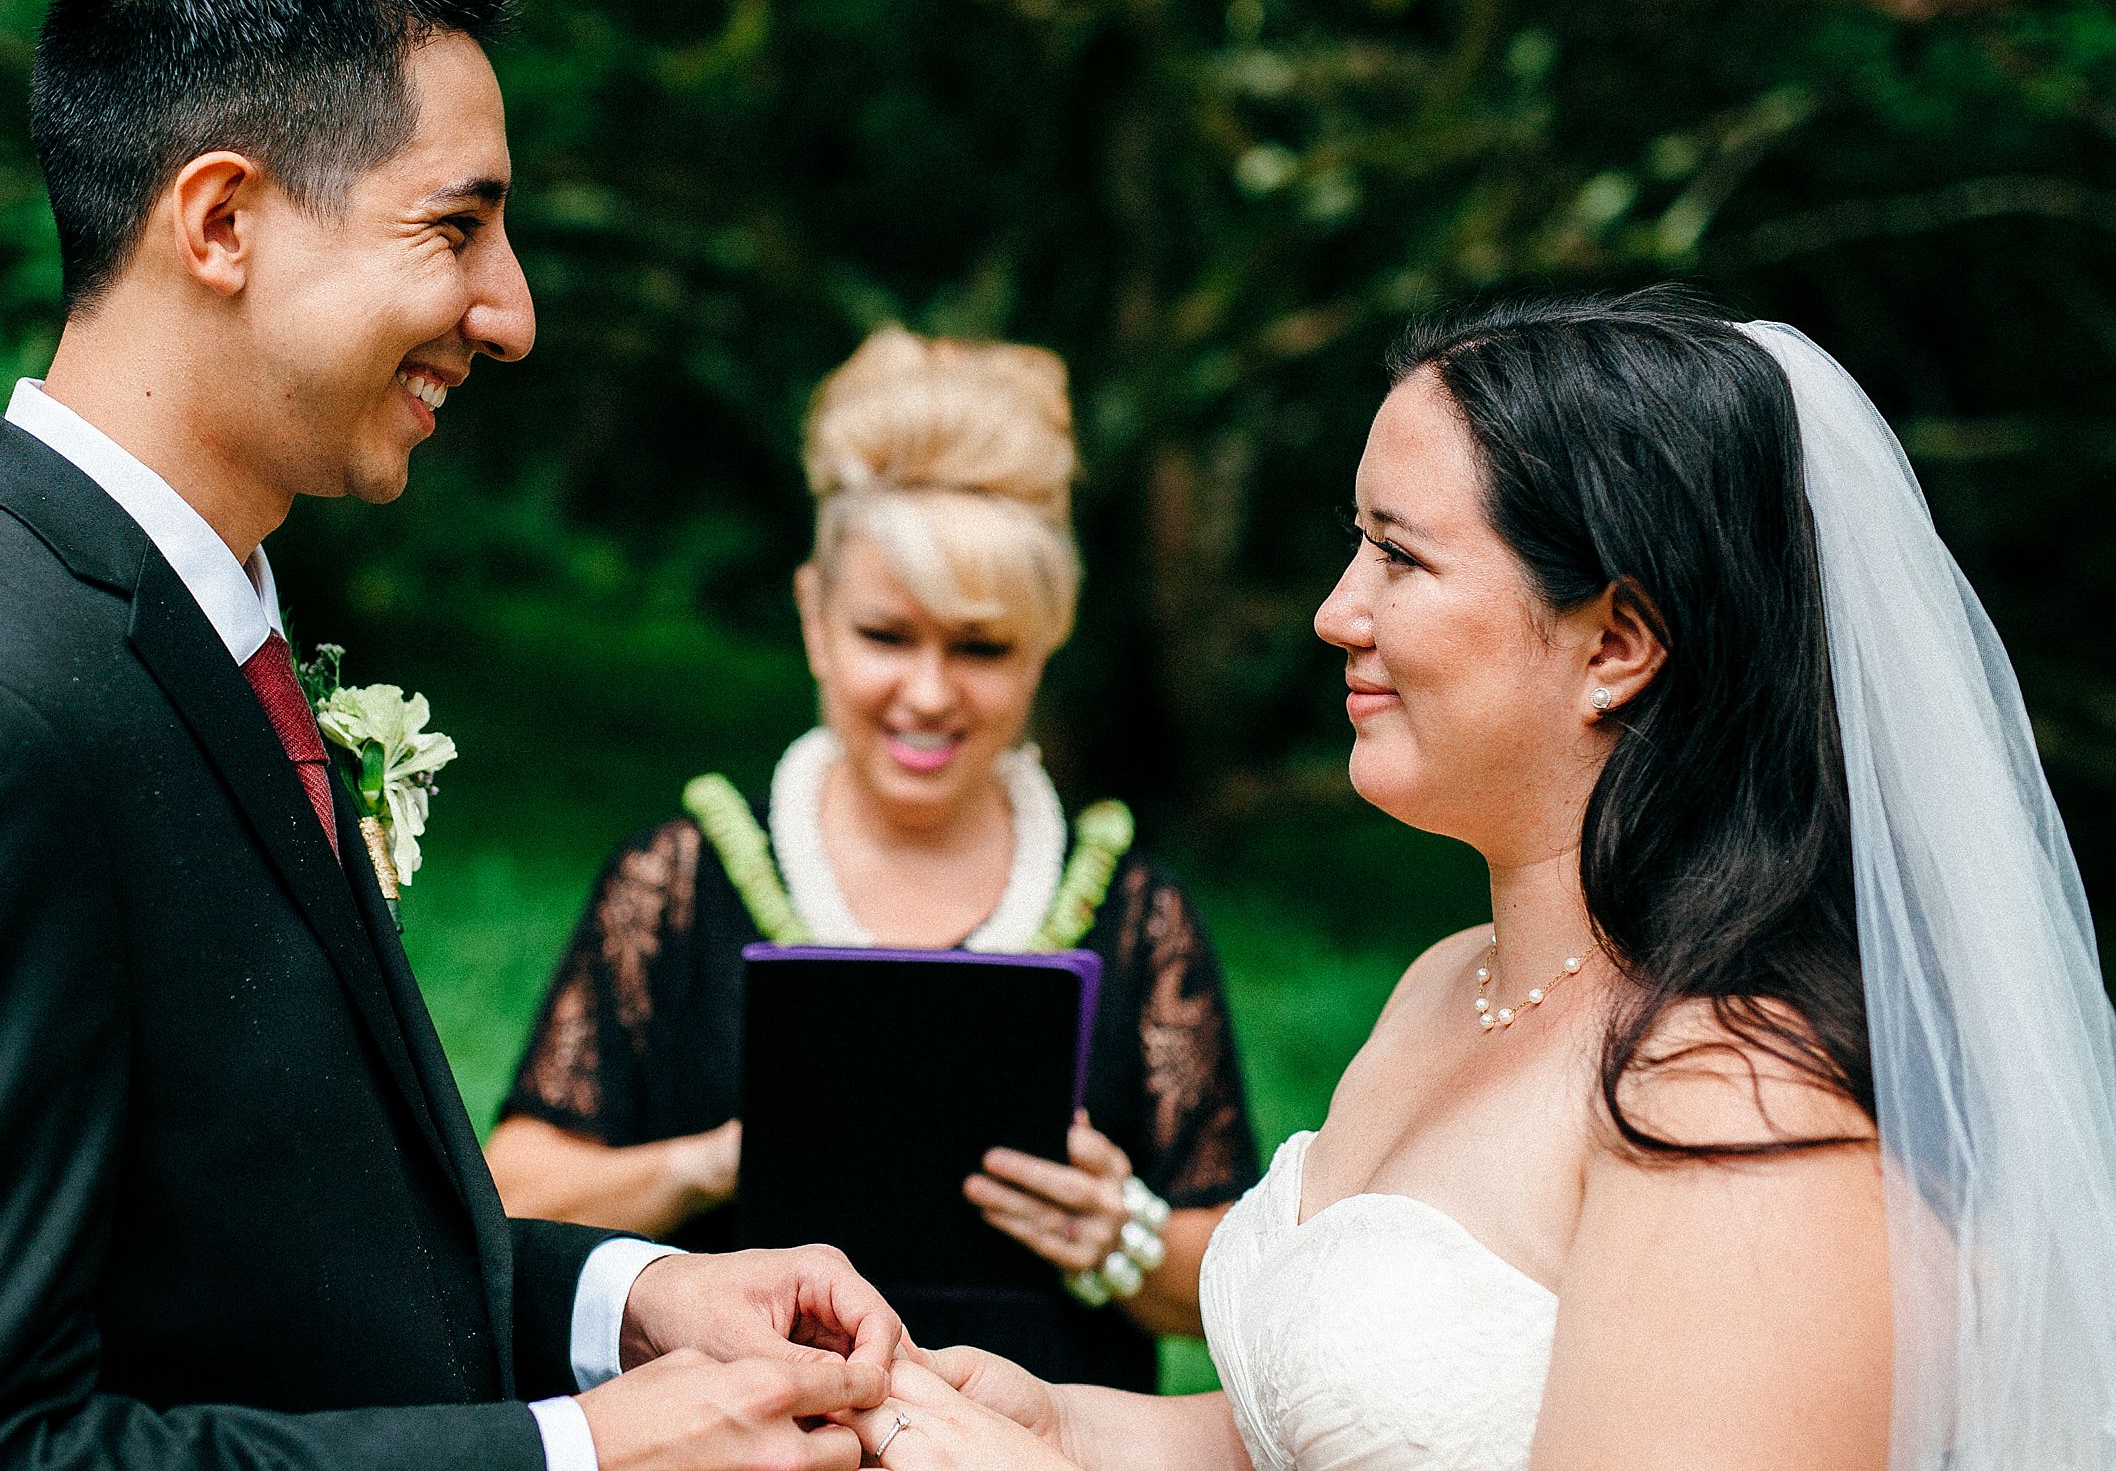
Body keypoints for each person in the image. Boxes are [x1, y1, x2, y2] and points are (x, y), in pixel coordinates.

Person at [0, 0, 905, 1471]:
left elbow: (268, 1258)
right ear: (219, 223)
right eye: (455, 226)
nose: (512, 311)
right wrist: (580, 1454)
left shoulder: (194, 632)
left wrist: (634, 1297)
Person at [834, 291, 2116, 1470]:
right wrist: (1053, 1420)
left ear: (1615, 640)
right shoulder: (1448, 982)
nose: (1339, 611)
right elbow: (1314, 1435)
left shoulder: (1743, 1100)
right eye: (1357, 545)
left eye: (1399, 555)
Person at [484, 328, 1261, 1389]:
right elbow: (510, 1194)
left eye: (979, 646)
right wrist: (710, 1162)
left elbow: (1238, 1286)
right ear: (813, 618)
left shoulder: (1136, 915)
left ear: (1048, 637)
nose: (929, 693)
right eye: (887, 636)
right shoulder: (677, 882)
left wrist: (1117, 1234)